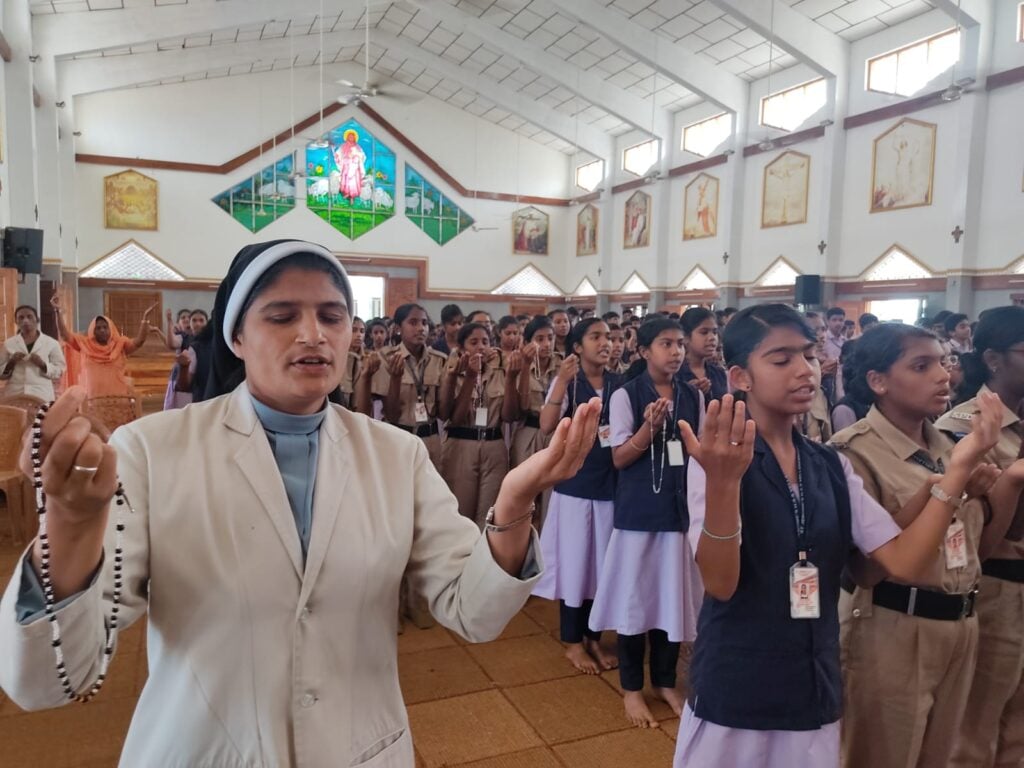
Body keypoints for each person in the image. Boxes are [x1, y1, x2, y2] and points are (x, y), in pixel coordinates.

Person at [0, 239, 604, 768]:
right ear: (236, 336)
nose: (312, 333)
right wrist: (73, 527)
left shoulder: (394, 456)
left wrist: (515, 503)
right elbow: (53, 679)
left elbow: (472, 612)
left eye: (332, 316)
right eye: (282, 316)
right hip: (205, 746)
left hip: (356, 746)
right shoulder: (156, 451)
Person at [674, 304, 1002, 768]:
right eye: (781, 359)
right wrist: (725, 485)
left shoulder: (828, 463)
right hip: (740, 676)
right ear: (740, 377)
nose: (804, 370)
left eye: (808, 355)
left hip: (813, 676)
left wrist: (952, 481)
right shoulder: (717, 459)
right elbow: (720, 583)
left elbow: (900, 562)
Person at [831, 322, 1024, 768]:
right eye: (921, 365)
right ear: (878, 381)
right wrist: (949, 487)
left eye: (943, 361)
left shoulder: (948, 446)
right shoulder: (854, 452)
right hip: (893, 624)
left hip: (961, 621)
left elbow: (983, 548)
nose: (943, 375)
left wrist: (1000, 487)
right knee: (881, 757)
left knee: (939, 757)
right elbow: (866, 568)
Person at [590, 318, 704, 728]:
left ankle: (665, 681)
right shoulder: (625, 395)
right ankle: (633, 687)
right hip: (639, 516)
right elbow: (618, 457)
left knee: (670, 601)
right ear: (643, 351)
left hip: (679, 515)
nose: (675, 352)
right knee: (636, 603)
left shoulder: (693, 397)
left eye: (679, 344)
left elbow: (699, 454)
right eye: (665, 344)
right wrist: (648, 429)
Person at [938, 306, 1024, 767]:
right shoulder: (961, 428)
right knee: (976, 725)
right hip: (995, 587)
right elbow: (972, 528)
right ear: (993, 359)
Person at [533, 318, 621, 675]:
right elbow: (546, 424)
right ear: (578, 346)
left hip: (610, 485)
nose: (606, 343)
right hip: (575, 485)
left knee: (601, 565)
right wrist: (563, 383)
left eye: (609, 337)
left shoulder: (620, 382)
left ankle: (594, 637)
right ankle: (572, 641)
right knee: (575, 563)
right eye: (596, 337)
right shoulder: (569, 381)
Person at [439, 322, 521, 526]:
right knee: (460, 513)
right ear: (461, 347)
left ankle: (484, 556)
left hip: (494, 446)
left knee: (489, 513)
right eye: (473, 342)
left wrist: (511, 379)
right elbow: (454, 417)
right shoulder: (453, 372)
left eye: (485, 342)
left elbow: (509, 415)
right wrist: (470, 377)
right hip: (461, 445)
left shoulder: (500, 371)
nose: (481, 347)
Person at [365, 304, 447, 469]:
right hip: (398, 436)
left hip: (430, 439)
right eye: (413, 322)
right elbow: (391, 414)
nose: (421, 328)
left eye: (424, 323)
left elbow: (444, 412)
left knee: (429, 493)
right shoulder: (385, 358)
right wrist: (396, 379)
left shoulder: (438, 360)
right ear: (397, 328)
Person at [510, 316, 562, 527]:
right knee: (526, 494)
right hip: (529, 432)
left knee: (551, 496)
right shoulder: (520, 363)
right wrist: (525, 366)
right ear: (528, 341)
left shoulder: (563, 364)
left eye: (550, 337)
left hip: (556, 434)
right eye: (539, 339)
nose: (546, 344)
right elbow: (521, 406)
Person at [50, 294, 155, 398]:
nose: (102, 330)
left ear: (111, 329)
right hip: (91, 400)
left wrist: (145, 319)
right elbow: (64, 335)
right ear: (92, 330)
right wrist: (57, 312)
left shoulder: (120, 344)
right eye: (98, 328)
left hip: (118, 399)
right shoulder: (84, 344)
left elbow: (139, 341)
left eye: (105, 327)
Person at [0, 305, 65, 401]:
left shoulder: (51, 343)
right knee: (17, 416)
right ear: (16, 322)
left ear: (37, 320)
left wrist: (43, 364)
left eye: (29, 316)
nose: (25, 321)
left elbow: (60, 370)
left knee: (40, 416)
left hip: (41, 394)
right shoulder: (9, 344)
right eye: (21, 318)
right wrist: (11, 362)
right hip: (15, 393)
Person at [679, 307, 727, 402]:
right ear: (686, 337)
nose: (712, 338)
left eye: (714, 332)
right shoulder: (674, 374)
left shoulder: (718, 373)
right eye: (704, 332)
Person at [162, 308, 195, 411]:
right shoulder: (182, 337)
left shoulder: (201, 338)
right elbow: (171, 343)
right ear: (178, 323)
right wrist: (169, 322)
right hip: (181, 378)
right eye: (182, 317)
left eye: (189, 318)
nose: (186, 319)